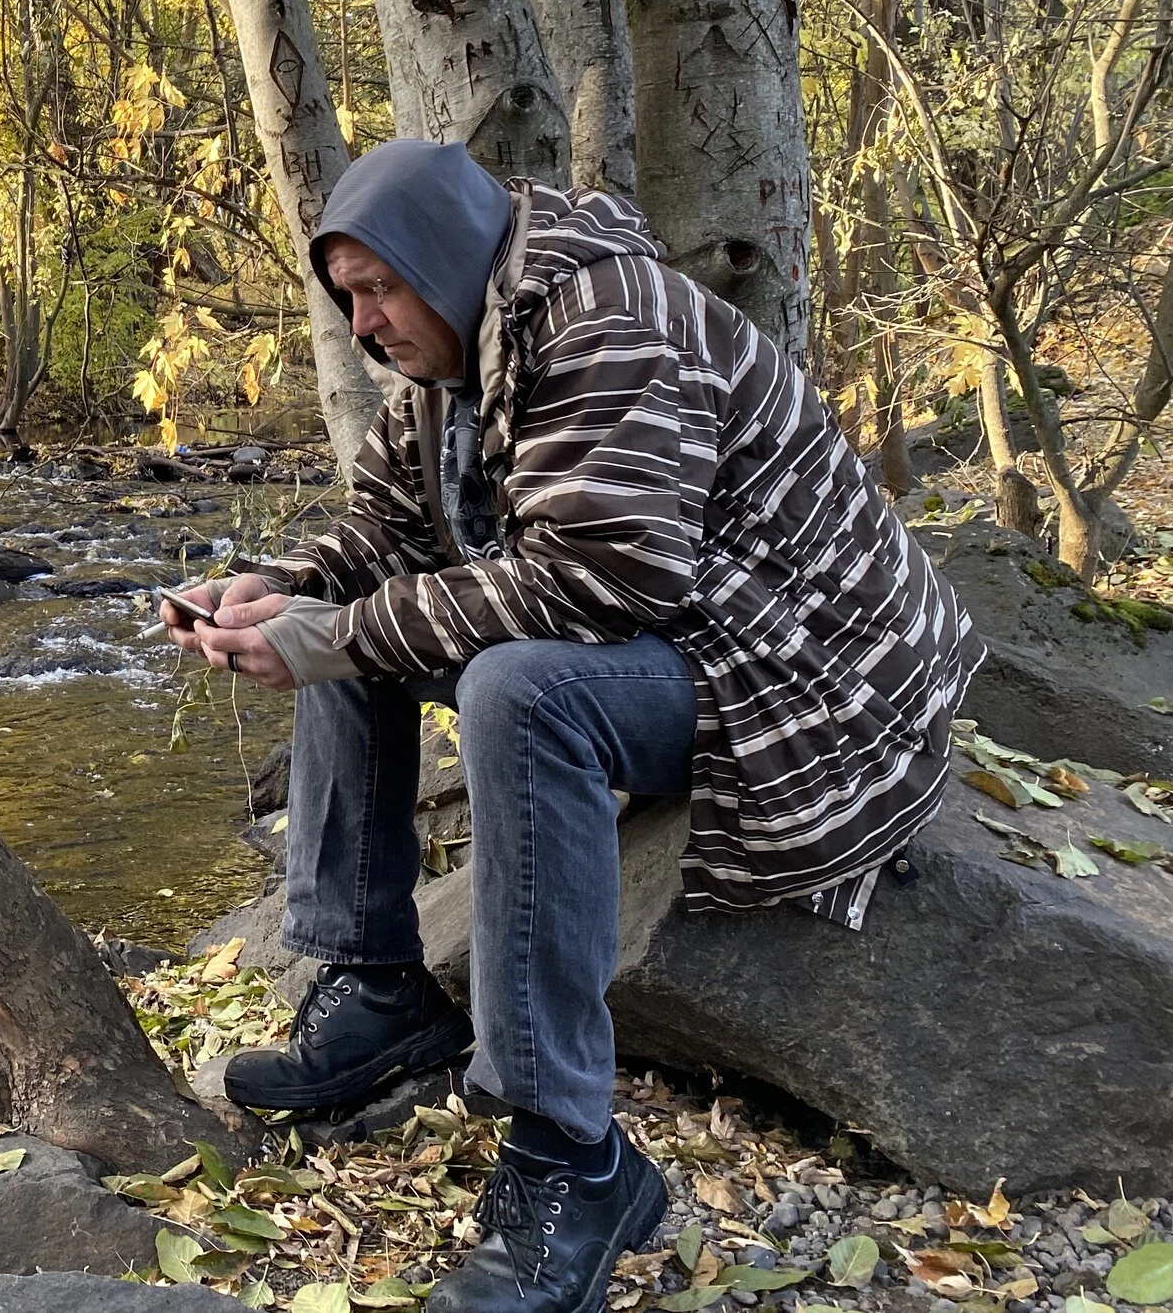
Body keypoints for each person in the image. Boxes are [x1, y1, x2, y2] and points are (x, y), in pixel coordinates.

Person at [161, 139, 979, 1313]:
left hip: (805, 670)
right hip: (690, 636)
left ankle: (572, 1157)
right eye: (347, 297)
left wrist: (331, 633)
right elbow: (379, 537)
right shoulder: (457, 352)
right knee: (340, 617)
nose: (364, 324)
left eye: (378, 288)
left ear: (440, 260)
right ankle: (377, 985)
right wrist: (271, 587)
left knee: (513, 689)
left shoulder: (606, 325)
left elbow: (602, 580)